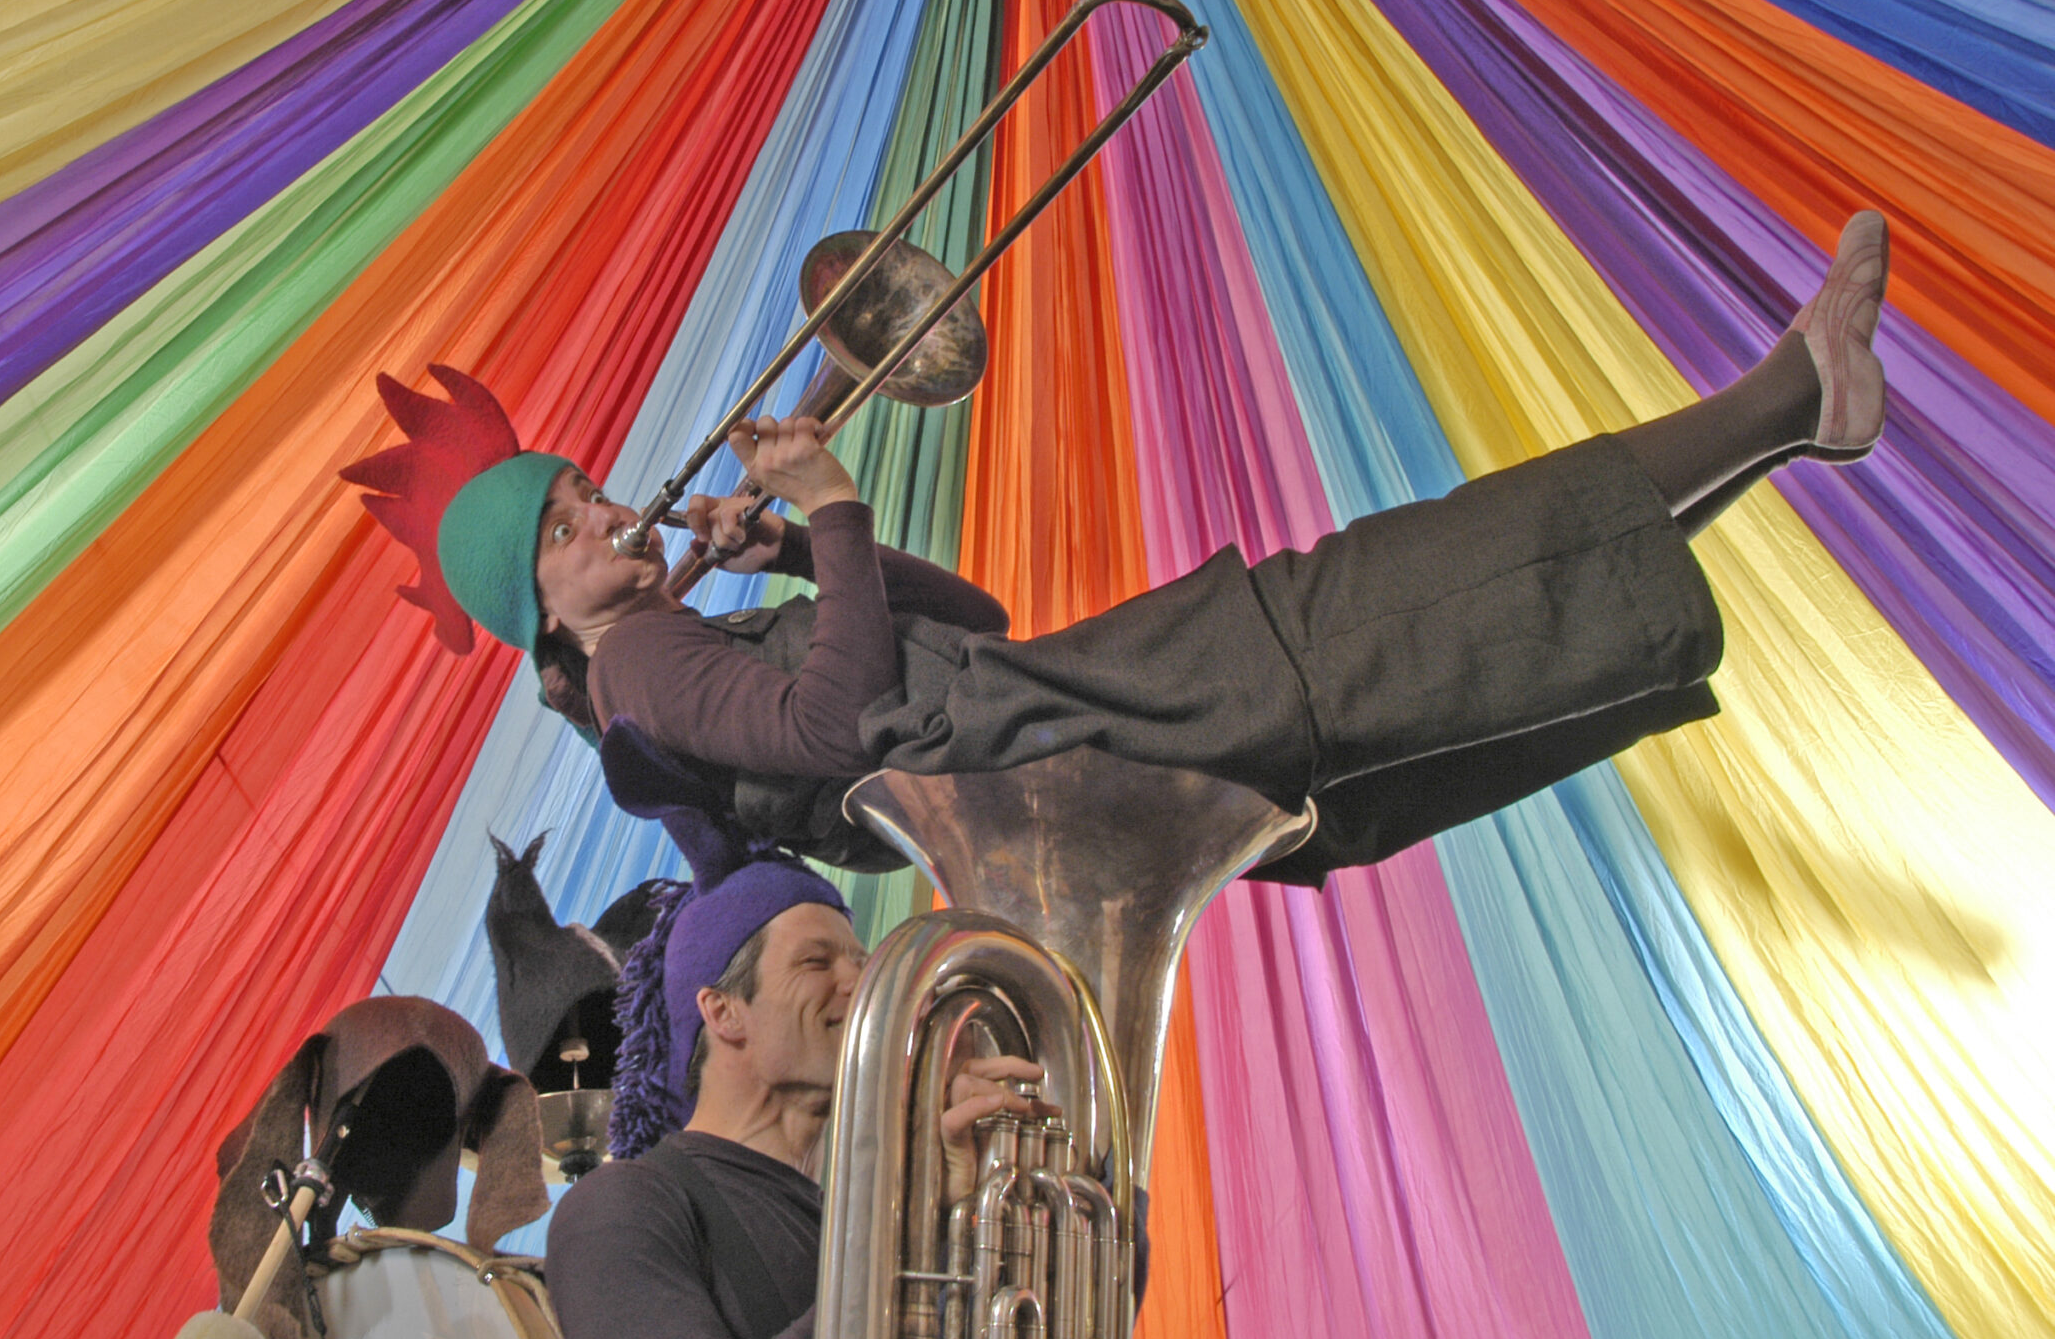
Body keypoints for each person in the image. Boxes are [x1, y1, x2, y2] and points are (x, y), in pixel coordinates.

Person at [345, 212, 1891, 882]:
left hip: (1077, 720)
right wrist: (821, 504)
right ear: (540, 609)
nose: (608, 510)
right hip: (1106, 728)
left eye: (582, 489)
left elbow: (973, 618)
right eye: (566, 526)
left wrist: (818, 561)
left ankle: (1789, 415)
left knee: (1467, 613)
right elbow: (839, 732)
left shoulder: (665, 653)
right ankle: (1787, 394)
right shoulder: (644, 664)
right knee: (1437, 579)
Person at [540, 730, 1043, 1339]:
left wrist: (1069, 1190)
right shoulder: (621, 1204)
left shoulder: (844, 1212)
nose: (865, 984)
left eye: (863, 961)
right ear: (723, 1012)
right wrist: (891, 1235)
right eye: (818, 962)